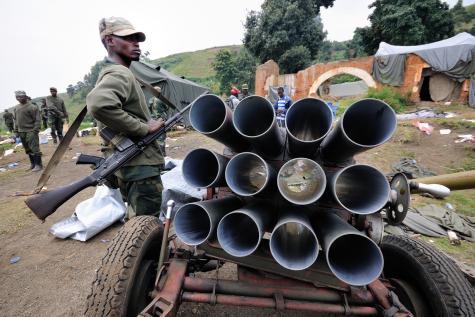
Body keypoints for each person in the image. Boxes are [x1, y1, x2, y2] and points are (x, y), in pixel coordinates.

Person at [86, 17, 165, 218]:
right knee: (145, 228)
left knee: (135, 223)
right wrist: (144, 128)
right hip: (140, 167)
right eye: (128, 38)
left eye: (136, 38)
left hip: (128, 164)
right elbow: (98, 104)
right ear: (110, 41)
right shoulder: (120, 73)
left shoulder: (111, 72)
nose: (136, 43)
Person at [12, 91, 42, 171]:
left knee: (34, 148)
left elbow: (37, 120)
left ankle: (38, 165)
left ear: (25, 96)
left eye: (21, 97)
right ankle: (32, 164)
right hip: (21, 132)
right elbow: (16, 121)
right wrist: (16, 131)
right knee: (27, 149)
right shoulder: (16, 108)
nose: (19, 99)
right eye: (17, 97)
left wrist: (36, 129)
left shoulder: (32, 107)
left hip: (31, 130)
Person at [148, 86, 169, 156]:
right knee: (161, 137)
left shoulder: (151, 100)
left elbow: (149, 109)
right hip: (160, 120)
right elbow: (166, 108)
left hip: (153, 120)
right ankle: (162, 153)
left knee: (155, 136)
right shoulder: (161, 100)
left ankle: (157, 152)